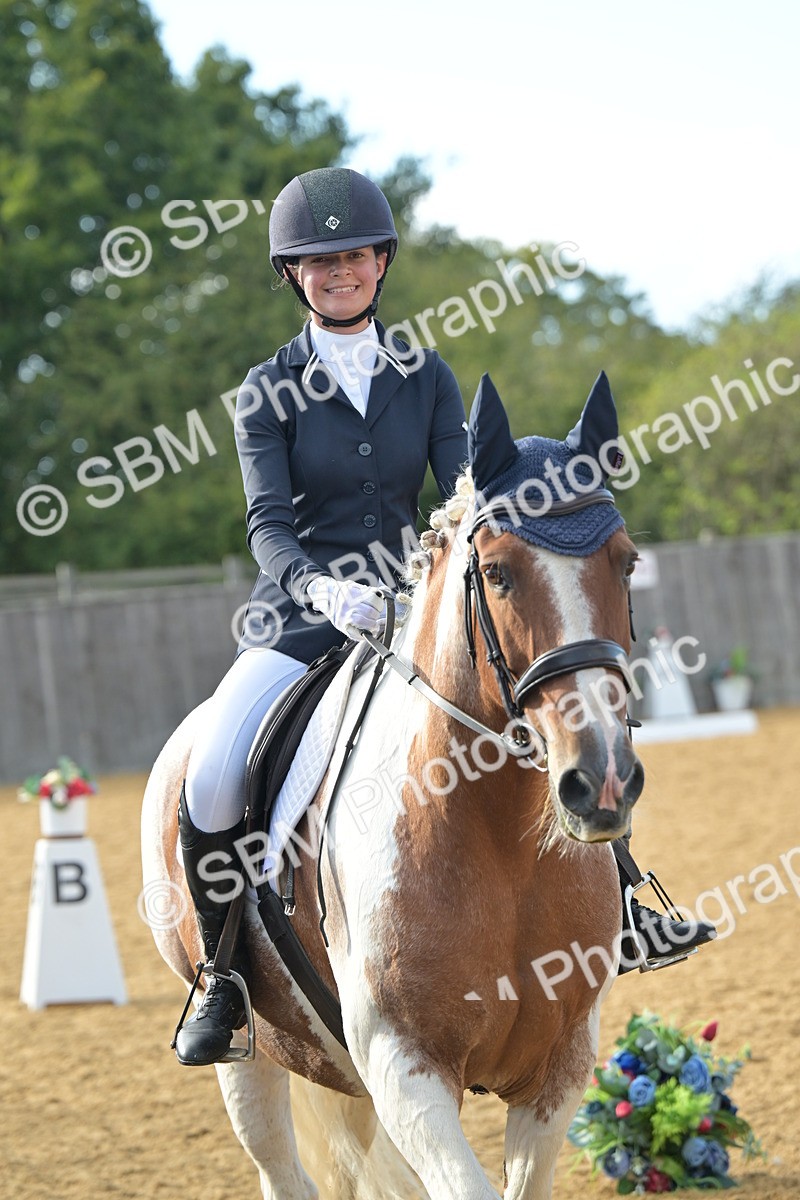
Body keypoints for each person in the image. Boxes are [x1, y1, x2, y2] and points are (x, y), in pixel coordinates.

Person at [175, 167, 714, 1068]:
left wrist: (442, 573)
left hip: (411, 613)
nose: (340, 272)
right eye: (320, 261)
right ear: (294, 274)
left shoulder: (424, 375)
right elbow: (267, 525)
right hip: (300, 621)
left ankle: (622, 901)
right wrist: (319, 588)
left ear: (381, 263)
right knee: (214, 775)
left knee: (546, 715)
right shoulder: (266, 390)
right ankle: (221, 976)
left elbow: (467, 494)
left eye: (355, 256)